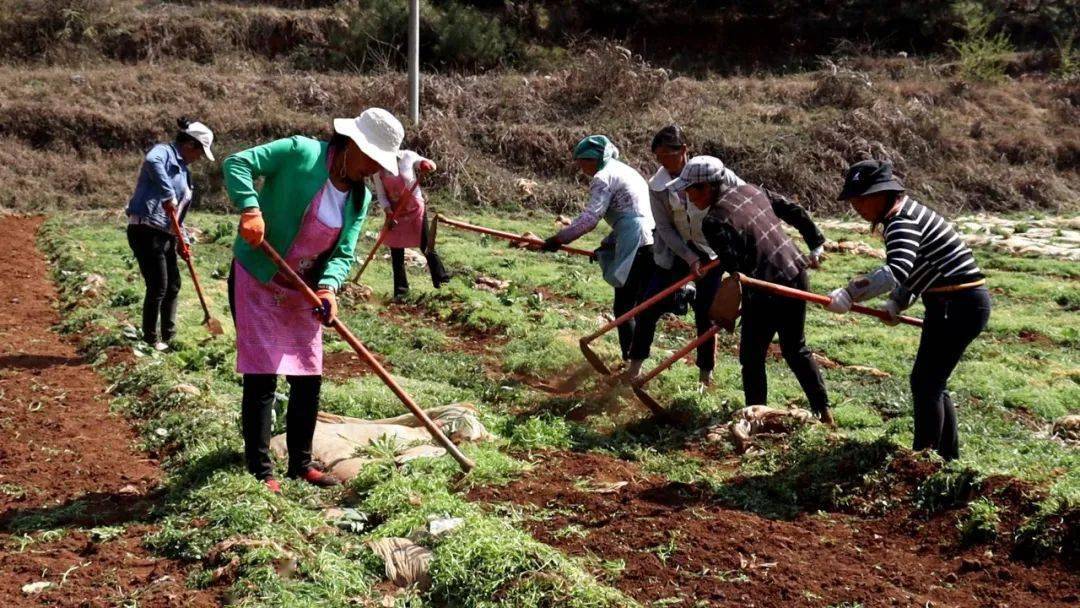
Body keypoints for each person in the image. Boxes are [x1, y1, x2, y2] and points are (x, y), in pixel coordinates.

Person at [222, 108, 403, 493]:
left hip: (302, 288)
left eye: (379, 163)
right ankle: (260, 469)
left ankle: (300, 465)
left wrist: (328, 288)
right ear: (351, 143)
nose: (372, 168)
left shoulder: (359, 198)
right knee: (262, 374)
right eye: (370, 157)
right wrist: (250, 208)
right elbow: (237, 162)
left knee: (308, 376)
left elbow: (343, 252)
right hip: (260, 276)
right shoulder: (300, 152)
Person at [629, 126, 826, 388]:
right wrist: (689, 258)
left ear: (683, 151)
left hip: (717, 251)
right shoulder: (659, 185)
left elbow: (751, 204)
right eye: (659, 157)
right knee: (649, 303)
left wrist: (732, 272)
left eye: (669, 155)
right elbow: (664, 227)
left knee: (707, 313)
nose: (664, 163)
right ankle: (635, 367)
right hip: (679, 250)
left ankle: (705, 376)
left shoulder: (714, 175)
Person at [826, 159, 989, 460]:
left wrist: (850, 294)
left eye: (862, 198)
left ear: (883, 194)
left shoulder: (902, 221)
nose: (856, 206)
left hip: (959, 304)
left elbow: (896, 270)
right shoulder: (903, 214)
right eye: (853, 200)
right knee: (930, 382)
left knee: (927, 383)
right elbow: (922, 268)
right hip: (950, 303)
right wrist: (897, 302)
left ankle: (922, 460)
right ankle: (945, 458)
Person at [669, 155, 832, 422]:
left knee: (752, 356)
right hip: (795, 272)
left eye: (691, 189)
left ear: (709, 186)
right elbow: (793, 210)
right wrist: (815, 242)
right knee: (795, 349)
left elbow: (738, 267)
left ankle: (755, 417)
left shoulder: (713, 222)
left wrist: (727, 305)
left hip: (765, 286)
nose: (688, 196)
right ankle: (824, 413)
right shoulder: (753, 190)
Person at [533, 135, 655, 365]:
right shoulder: (624, 170)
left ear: (593, 159)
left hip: (636, 240)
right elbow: (631, 214)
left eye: (582, 162)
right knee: (637, 306)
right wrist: (607, 245)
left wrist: (559, 239)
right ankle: (637, 362)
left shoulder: (603, 177)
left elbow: (591, 218)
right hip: (650, 239)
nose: (581, 168)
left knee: (625, 307)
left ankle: (631, 362)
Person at [125, 118, 214, 351]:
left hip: (165, 233)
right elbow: (152, 161)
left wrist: (181, 239)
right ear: (190, 145)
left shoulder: (185, 173)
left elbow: (178, 214)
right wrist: (167, 194)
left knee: (173, 284)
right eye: (200, 152)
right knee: (158, 285)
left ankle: (169, 335)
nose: (200, 158)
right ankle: (151, 339)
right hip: (146, 228)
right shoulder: (163, 152)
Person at [371, 149, 449, 300]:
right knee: (396, 251)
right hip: (395, 212)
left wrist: (427, 165)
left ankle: (443, 283)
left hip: (414, 208)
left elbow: (429, 164)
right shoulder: (378, 168)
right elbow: (381, 195)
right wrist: (388, 212)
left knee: (426, 246)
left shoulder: (407, 156)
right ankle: (401, 292)